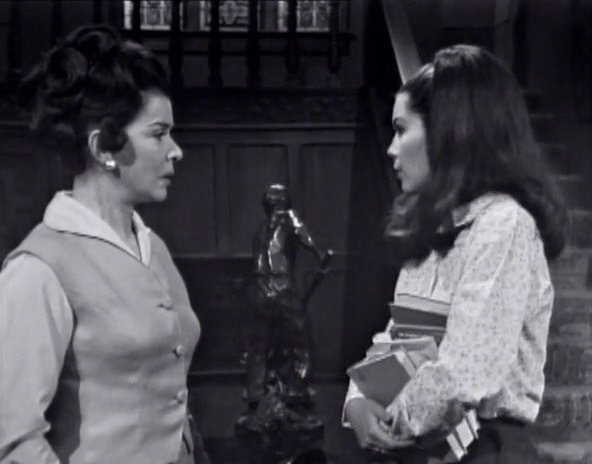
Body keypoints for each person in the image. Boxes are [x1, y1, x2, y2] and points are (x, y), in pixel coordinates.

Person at [342, 44, 568, 463]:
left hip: (485, 451)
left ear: (449, 133)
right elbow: (396, 344)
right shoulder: (434, 232)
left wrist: (393, 419)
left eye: (401, 130)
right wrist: (357, 402)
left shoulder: (504, 226)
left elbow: (466, 372)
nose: (391, 149)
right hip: (423, 447)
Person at [0, 25, 209, 464]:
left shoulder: (153, 247)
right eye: (158, 134)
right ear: (103, 147)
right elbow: (14, 440)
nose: (176, 150)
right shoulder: (38, 269)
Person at [245, 183, 331, 410]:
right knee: (301, 343)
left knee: (259, 347)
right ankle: (296, 390)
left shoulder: (260, 230)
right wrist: (322, 256)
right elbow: (309, 241)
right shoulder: (289, 219)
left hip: (259, 290)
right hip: (282, 289)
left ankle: (255, 391)